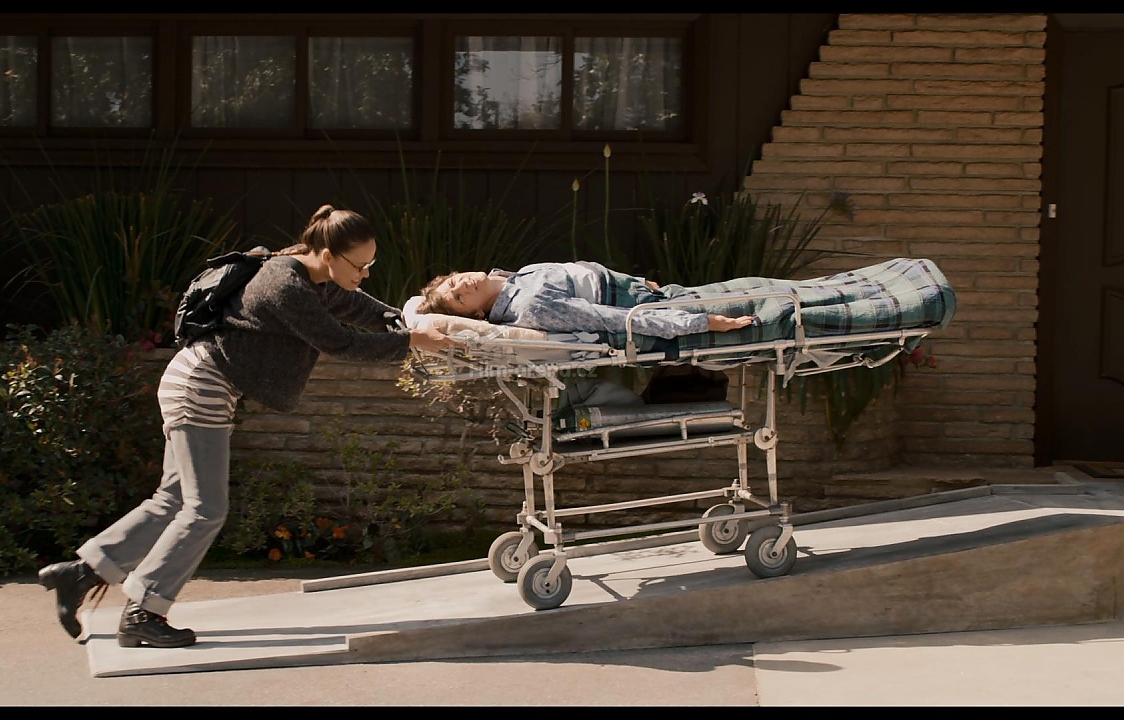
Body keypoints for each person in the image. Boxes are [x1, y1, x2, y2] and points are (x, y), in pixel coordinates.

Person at [37, 204, 457, 649]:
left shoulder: (312, 275)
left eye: (371, 264)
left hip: (200, 383)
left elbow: (352, 303)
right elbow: (341, 342)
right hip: (200, 387)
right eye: (360, 265)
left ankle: (82, 574)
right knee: (205, 509)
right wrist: (411, 340)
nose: (366, 273)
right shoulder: (285, 284)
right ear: (328, 255)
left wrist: (397, 319)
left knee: (173, 499)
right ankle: (144, 611)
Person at [416, 260, 756, 341]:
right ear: (476, 313)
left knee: (756, 288)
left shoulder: (514, 278)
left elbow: (580, 272)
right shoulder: (529, 306)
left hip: (650, 292)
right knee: (765, 300)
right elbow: (608, 318)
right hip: (654, 310)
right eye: (458, 298)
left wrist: (637, 281)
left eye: (453, 282)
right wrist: (701, 322)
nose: (462, 286)